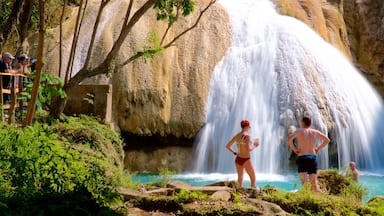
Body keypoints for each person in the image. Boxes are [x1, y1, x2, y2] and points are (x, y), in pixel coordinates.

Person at [287, 115, 330, 192]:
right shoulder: (315, 132)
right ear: (310, 123)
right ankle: (316, 200)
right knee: (314, 182)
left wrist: (295, 149)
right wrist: (318, 148)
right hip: (312, 157)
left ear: (303, 123)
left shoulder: (300, 131)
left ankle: (305, 199)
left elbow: (289, 139)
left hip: (302, 156)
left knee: (304, 182)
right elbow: (327, 140)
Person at [226, 119, 260, 188]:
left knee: (240, 178)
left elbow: (228, 146)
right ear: (247, 126)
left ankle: (238, 194)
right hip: (246, 159)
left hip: (238, 159)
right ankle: (253, 194)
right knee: (253, 177)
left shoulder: (237, 135)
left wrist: (235, 153)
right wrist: (255, 145)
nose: (249, 128)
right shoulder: (247, 136)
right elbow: (248, 149)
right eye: (249, 127)